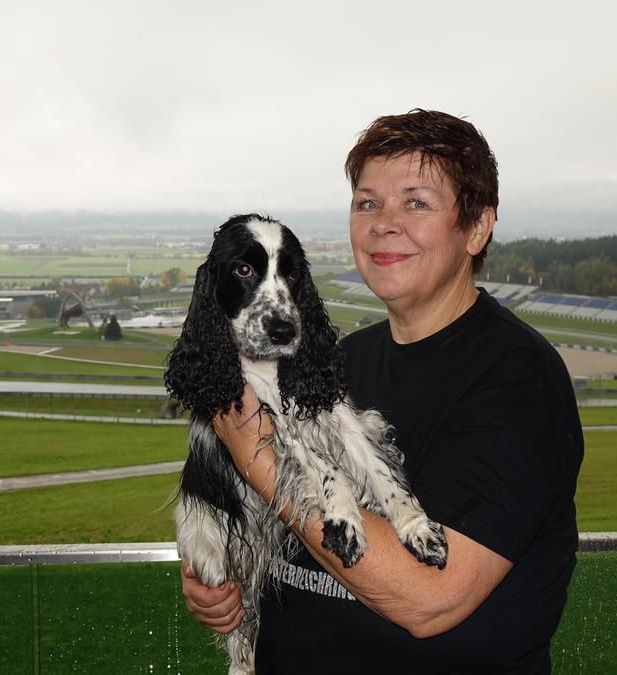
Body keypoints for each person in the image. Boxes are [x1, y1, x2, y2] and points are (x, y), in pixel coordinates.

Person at [182, 109, 584, 673]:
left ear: (477, 227)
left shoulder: (519, 379)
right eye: (367, 203)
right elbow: (280, 526)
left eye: (416, 202)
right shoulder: (335, 362)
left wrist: (256, 453)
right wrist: (222, 568)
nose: (383, 223)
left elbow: (430, 598)